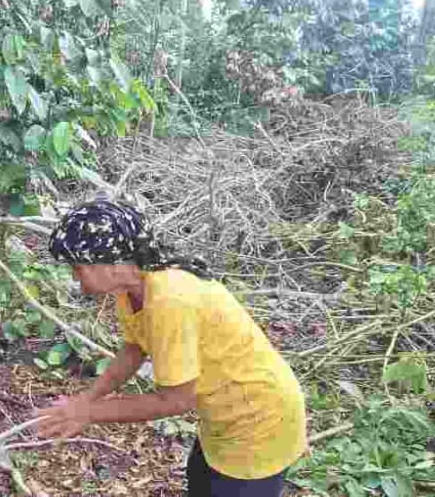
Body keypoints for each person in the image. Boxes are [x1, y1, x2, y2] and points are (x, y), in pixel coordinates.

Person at [36, 198, 307, 497]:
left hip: (260, 421)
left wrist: (89, 413)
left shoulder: (169, 299)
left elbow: (175, 401)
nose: (75, 276)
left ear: (110, 262)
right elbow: (134, 349)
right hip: (222, 416)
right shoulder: (133, 288)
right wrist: (88, 399)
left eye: (78, 267)